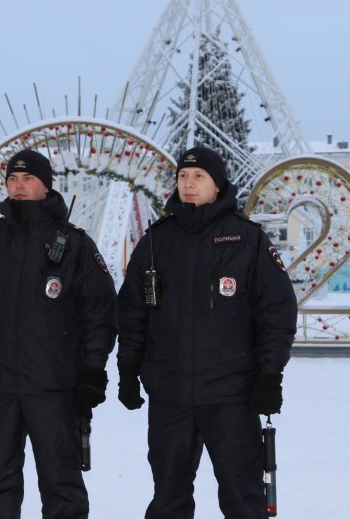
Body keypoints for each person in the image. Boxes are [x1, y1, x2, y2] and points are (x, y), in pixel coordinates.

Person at [116, 146, 297, 518]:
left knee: (242, 497)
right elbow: (133, 312)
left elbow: (276, 313)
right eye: (183, 176)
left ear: (217, 185)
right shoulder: (156, 240)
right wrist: (128, 372)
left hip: (231, 394)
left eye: (198, 176)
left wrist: (269, 376)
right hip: (170, 393)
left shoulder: (247, 239)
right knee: (168, 497)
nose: (188, 184)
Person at [0, 148, 117, 518]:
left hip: (53, 386)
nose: (19, 187)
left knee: (62, 485)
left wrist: (92, 372)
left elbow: (99, 314)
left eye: (29, 180)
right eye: (13, 180)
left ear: (46, 186)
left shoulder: (74, 244)